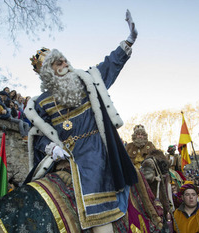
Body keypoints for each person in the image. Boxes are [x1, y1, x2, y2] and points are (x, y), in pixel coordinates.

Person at [22, 9, 138, 232]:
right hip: (65, 158)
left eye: (63, 58)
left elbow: (110, 64)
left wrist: (129, 41)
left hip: (96, 155)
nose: (64, 62)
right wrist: (52, 148)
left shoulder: (87, 81)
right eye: (57, 62)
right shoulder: (40, 103)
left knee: (100, 216)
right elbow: (37, 139)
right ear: (48, 73)